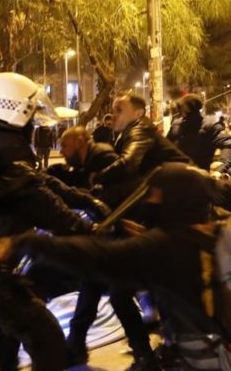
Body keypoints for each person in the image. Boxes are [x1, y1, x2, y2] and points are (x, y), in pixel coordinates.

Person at [0, 163, 228, 371]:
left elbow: (99, 257)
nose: (149, 200)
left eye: (154, 194)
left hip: (201, 359)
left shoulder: (165, 245)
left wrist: (27, 242)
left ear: (174, 198)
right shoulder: (220, 232)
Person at [0, 72, 108, 371]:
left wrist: (86, 201)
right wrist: (90, 231)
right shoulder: (6, 151)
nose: (33, 124)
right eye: (31, 115)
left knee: (0, 349)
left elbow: (41, 182)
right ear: (17, 110)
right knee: (48, 340)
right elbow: (41, 202)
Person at [57, 126, 157, 370]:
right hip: (112, 234)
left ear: (81, 142)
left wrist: (99, 199)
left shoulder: (104, 160)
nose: (62, 151)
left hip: (125, 235)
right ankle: (76, 344)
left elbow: (124, 194)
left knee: (118, 295)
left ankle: (144, 355)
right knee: (91, 285)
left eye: (66, 146)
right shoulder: (90, 163)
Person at [166, 93, 231, 172]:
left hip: (200, 175)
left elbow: (228, 144)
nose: (180, 111)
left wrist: (222, 166)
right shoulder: (176, 125)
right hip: (176, 174)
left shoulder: (209, 125)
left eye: (182, 107)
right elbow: (166, 146)